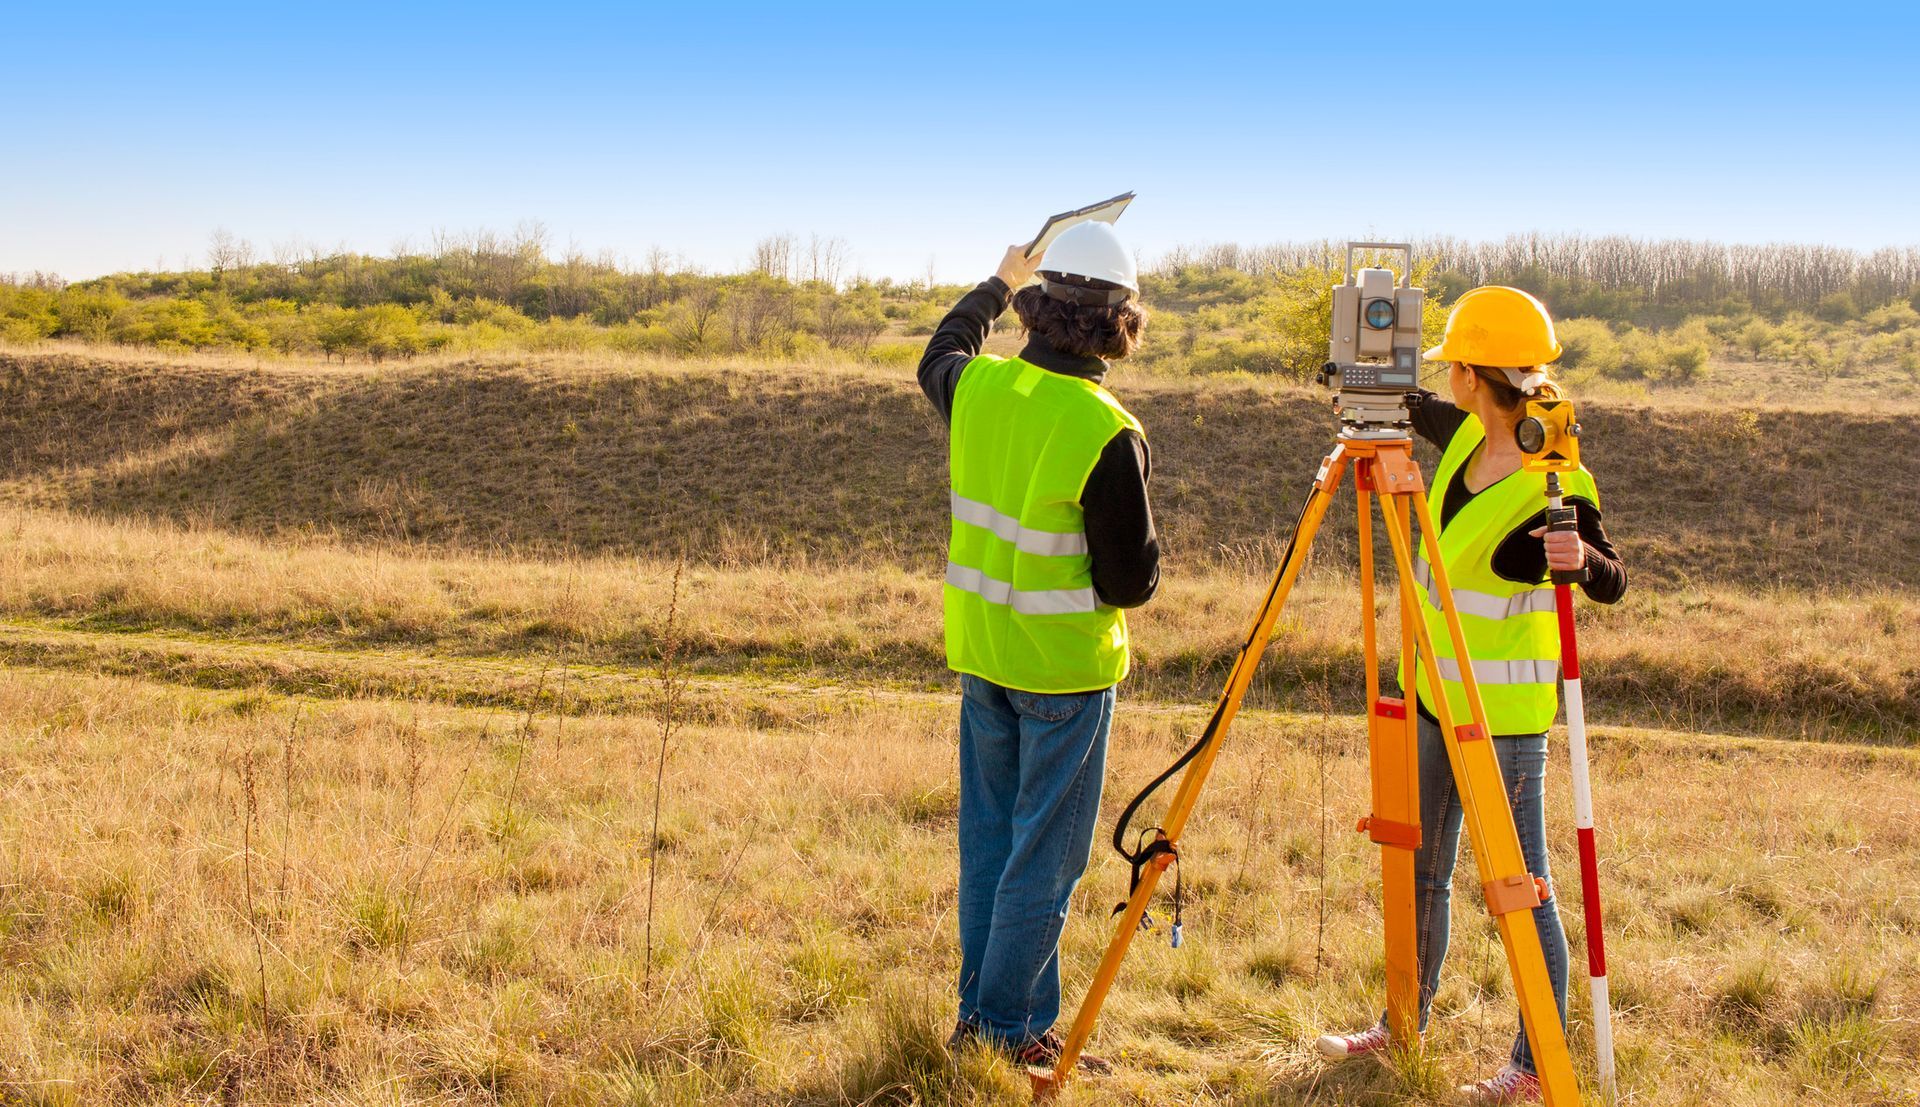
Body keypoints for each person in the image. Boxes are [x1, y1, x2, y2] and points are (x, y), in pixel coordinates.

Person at [1313, 286, 1628, 1104]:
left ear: (1472, 376)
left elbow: (1611, 578)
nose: (1444, 376)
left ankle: (1532, 1065)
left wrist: (1579, 561)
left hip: (1505, 723)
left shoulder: (1558, 474)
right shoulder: (1461, 440)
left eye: (1453, 362)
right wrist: (1355, 378)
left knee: (1520, 891)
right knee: (1420, 869)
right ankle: (1403, 1019)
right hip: (1430, 698)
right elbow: (1410, 407)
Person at [916, 221, 1159, 1073]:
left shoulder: (978, 388)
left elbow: (940, 351)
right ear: (1119, 323)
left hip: (983, 656)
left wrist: (995, 280)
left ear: (1036, 305)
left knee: (991, 845)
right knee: (1043, 861)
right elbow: (1130, 582)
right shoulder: (1105, 429)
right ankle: (1002, 1028)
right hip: (1063, 674)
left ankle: (997, 1015)